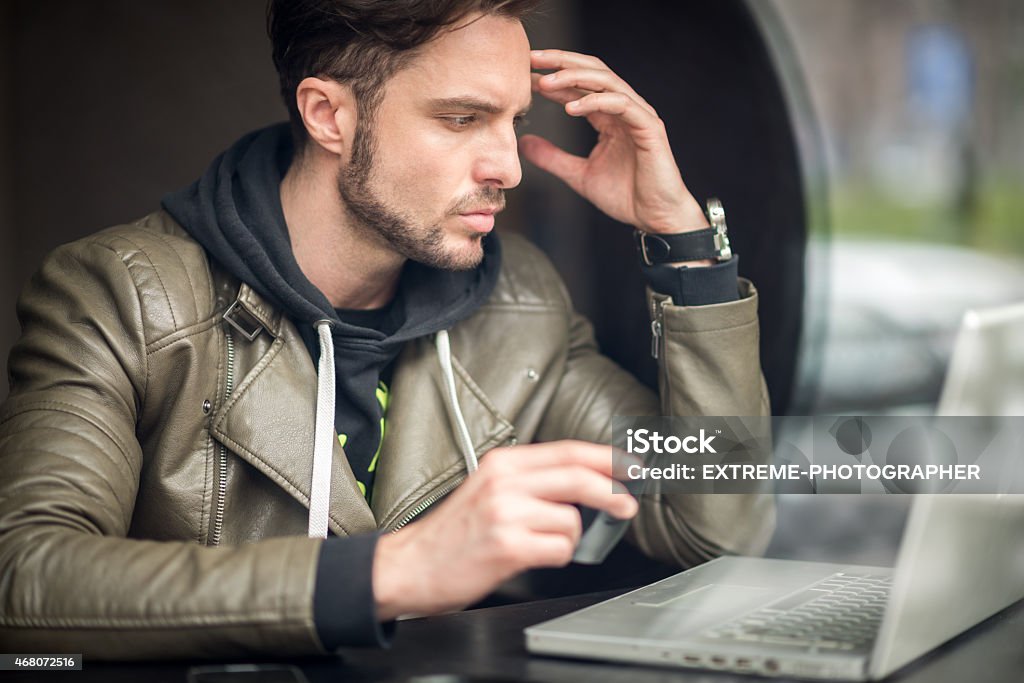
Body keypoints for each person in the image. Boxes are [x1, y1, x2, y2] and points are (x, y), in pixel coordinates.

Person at [0, 0, 773, 659]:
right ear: (328, 113)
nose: (508, 165)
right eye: (462, 119)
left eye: (514, 123)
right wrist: (390, 571)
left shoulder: (521, 300)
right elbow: (24, 575)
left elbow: (715, 529)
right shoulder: (123, 292)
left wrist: (687, 248)